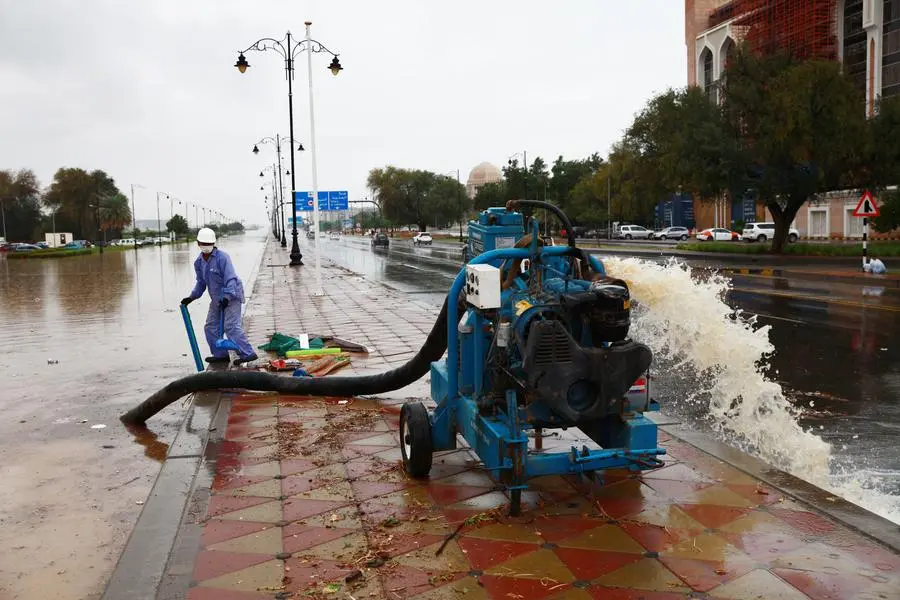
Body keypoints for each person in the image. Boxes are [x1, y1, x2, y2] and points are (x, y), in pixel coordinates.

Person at [181, 228, 258, 365]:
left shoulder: (222, 257)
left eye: (208, 243)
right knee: (210, 327)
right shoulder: (198, 262)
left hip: (232, 295)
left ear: (214, 243)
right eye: (203, 243)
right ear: (198, 243)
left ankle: (247, 353)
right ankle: (220, 354)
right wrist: (191, 297)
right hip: (217, 298)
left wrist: (227, 297)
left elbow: (231, 279)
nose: (206, 246)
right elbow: (201, 283)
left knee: (230, 326)